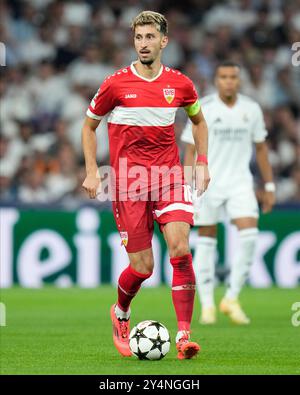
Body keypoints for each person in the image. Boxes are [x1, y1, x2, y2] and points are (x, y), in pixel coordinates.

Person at [81, 11, 210, 359]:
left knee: (180, 249)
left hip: (168, 178)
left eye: (150, 37)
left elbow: (198, 122)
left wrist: (201, 162)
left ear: (164, 41)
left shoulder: (181, 84)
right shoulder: (115, 84)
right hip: (128, 184)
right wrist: (93, 171)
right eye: (138, 38)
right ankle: (121, 312)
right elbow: (88, 127)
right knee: (143, 268)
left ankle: (184, 337)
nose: (143, 44)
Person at [182, 61, 275, 325]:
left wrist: (269, 186)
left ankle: (231, 297)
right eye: (224, 77)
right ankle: (208, 305)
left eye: (233, 76)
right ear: (216, 80)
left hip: (240, 182)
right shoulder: (204, 108)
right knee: (206, 240)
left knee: (249, 235)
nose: (229, 81)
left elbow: (261, 149)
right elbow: (190, 149)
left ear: (239, 80)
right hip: (207, 182)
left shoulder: (251, 109)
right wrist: (189, 186)